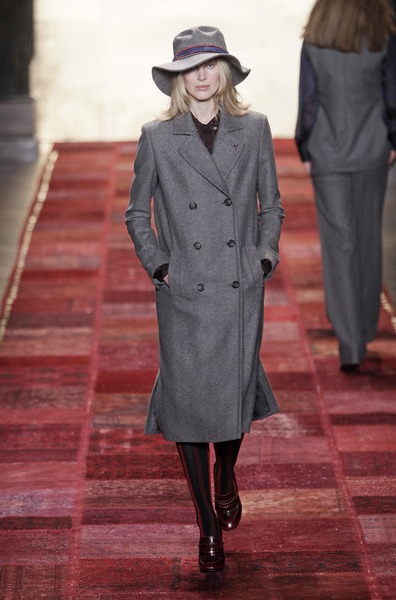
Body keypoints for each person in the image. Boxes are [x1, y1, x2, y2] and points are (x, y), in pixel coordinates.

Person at [125, 25, 284, 572]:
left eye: (210, 64)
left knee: (233, 390)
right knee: (189, 400)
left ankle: (226, 472)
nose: (201, 75)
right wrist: (160, 265)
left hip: (239, 284)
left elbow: (271, 204)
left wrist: (263, 257)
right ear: (177, 77)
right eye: (190, 67)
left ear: (225, 72)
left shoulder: (254, 128)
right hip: (185, 289)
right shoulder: (156, 136)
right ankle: (207, 528)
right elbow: (136, 212)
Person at [295, 0, 396, 374]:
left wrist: (304, 145)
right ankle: (365, 328)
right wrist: (393, 138)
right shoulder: (382, 35)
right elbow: (391, 93)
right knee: (368, 238)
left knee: (340, 245)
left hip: (328, 151)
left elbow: (308, 97)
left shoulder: (317, 36)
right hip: (373, 149)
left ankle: (349, 340)